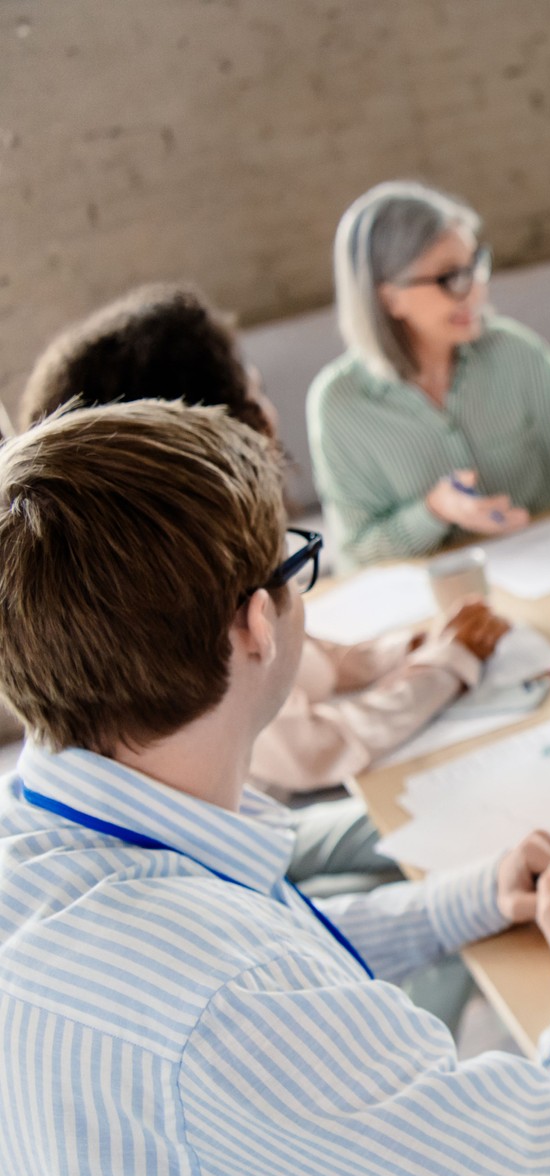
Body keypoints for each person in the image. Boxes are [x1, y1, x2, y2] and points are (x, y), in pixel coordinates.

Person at [0, 400, 550, 1176]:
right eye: (298, 563)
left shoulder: (56, 840)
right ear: (256, 623)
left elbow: (276, 959)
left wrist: (463, 901)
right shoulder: (220, 1007)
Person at [17, 283, 511, 797]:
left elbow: (306, 663)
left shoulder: (185, 571)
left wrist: (403, 650)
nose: (269, 415)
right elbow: (312, 750)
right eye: (254, 392)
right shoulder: (175, 615)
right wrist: (443, 667)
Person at [309, 180, 550, 567]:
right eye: (451, 278)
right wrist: (434, 511)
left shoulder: (514, 352)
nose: (476, 293)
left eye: (475, 268)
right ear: (388, 296)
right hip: (450, 608)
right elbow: (357, 553)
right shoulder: (340, 404)